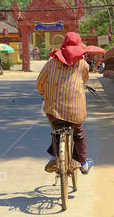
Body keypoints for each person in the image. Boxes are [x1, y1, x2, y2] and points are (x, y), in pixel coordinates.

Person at [37, 32, 93, 174]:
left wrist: (45, 93)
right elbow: (84, 80)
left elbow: (40, 84)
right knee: (78, 133)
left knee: (57, 129)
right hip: (75, 112)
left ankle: (53, 158)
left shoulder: (50, 63)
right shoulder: (83, 65)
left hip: (53, 110)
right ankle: (84, 164)